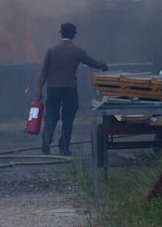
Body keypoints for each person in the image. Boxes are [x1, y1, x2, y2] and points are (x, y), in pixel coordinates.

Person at [36, 22, 108, 156]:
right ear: (73, 35)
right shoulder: (77, 51)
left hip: (53, 89)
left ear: (61, 33)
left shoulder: (51, 50)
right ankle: (64, 147)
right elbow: (90, 62)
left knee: (51, 116)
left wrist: (39, 90)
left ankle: (47, 137)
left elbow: (43, 73)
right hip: (70, 89)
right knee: (68, 119)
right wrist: (102, 66)